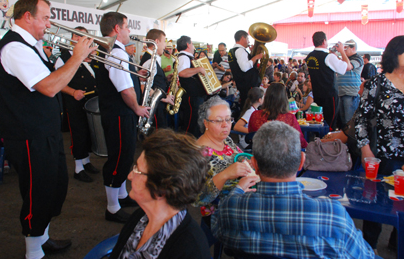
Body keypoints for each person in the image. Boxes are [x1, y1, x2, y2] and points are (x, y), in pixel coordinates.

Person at [0, 0, 97, 259]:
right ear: (27, 17)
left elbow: (55, 78)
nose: (49, 24)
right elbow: (50, 87)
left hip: (43, 130)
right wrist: (77, 57)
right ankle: (33, 252)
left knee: (54, 187)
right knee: (37, 192)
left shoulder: (32, 44)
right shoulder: (14, 47)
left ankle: (41, 239)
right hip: (28, 134)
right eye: (46, 18)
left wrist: (80, 59)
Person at [212, 121, 376, 259]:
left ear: (254, 164)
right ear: (300, 163)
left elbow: (217, 229)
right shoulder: (332, 215)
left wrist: (238, 190)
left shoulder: (230, 208)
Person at [108, 129, 211, 259]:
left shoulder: (190, 248)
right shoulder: (141, 217)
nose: (129, 176)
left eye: (137, 170)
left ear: (162, 189)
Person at [95, 12, 150, 223]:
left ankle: (121, 196)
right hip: (119, 113)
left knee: (125, 155)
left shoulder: (115, 51)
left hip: (118, 113)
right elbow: (125, 90)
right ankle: (112, 208)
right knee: (119, 158)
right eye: (126, 26)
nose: (129, 31)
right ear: (117, 29)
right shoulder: (115, 53)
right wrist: (137, 108)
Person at [354, 36, 404, 254]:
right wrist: (365, 148)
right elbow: (361, 119)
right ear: (395, 53)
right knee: (375, 201)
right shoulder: (377, 83)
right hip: (384, 154)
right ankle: (369, 245)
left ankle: (396, 240)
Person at [193, 96, 250, 227]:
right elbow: (198, 199)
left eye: (228, 119)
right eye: (218, 121)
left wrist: (247, 162)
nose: (225, 125)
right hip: (222, 214)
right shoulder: (198, 152)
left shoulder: (225, 140)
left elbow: (238, 157)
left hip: (241, 202)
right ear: (206, 123)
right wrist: (225, 174)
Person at [54, 26, 99, 183]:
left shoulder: (91, 56)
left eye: (84, 37)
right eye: (78, 36)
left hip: (90, 102)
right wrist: (73, 92)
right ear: (72, 38)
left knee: (89, 132)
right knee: (78, 133)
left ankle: (86, 162)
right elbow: (56, 81)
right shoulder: (64, 58)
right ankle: (78, 168)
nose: (81, 39)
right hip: (74, 102)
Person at [306, 31, 350, 131]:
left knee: (318, 121)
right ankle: (327, 144)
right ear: (324, 41)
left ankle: (318, 143)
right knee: (330, 123)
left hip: (317, 94)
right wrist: (342, 52)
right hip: (329, 95)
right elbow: (346, 67)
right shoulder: (329, 57)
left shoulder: (309, 56)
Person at [248, 83, 308, 149]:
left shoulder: (255, 115)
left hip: (259, 154)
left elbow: (252, 135)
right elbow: (300, 142)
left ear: (266, 97)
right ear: (284, 99)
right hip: (283, 156)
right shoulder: (290, 118)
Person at [139, 29, 174, 129]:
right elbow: (144, 85)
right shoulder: (150, 60)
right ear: (156, 42)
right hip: (155, 107)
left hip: (157, 105)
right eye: (164, 42)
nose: (164, 46)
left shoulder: (153, 58)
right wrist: (164, 98)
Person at [177, 35, 206, 137]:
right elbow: (182, 73)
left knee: (194, 120)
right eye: (192, 44)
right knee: (191, 121)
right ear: (188, 44)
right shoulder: (184, 57)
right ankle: (188, 142)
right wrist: (199, 69)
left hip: (195, 95)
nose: (193, 47)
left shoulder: (186, 57)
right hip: (192, 95)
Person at [228, 30, 263, 109]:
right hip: (248, 85)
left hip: (242, 84)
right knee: (249, 107)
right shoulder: (240, 50)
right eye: (247, 38)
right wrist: (256, 57)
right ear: (242, 38)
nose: (249, 41)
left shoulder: (233, 51)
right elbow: (244, 68)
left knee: (245, 105)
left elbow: (241, 64)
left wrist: (251, 54)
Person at [337, 39, 364, 127]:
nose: (344, 50)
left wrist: (341, 52)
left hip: (351, 93)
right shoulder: (344, 59)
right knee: (343, 122)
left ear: (353, 48)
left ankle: (350, 140)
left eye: (346, 48)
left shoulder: (358, 58)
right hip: (341, 92)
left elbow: (348, 67)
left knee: (349, 121)